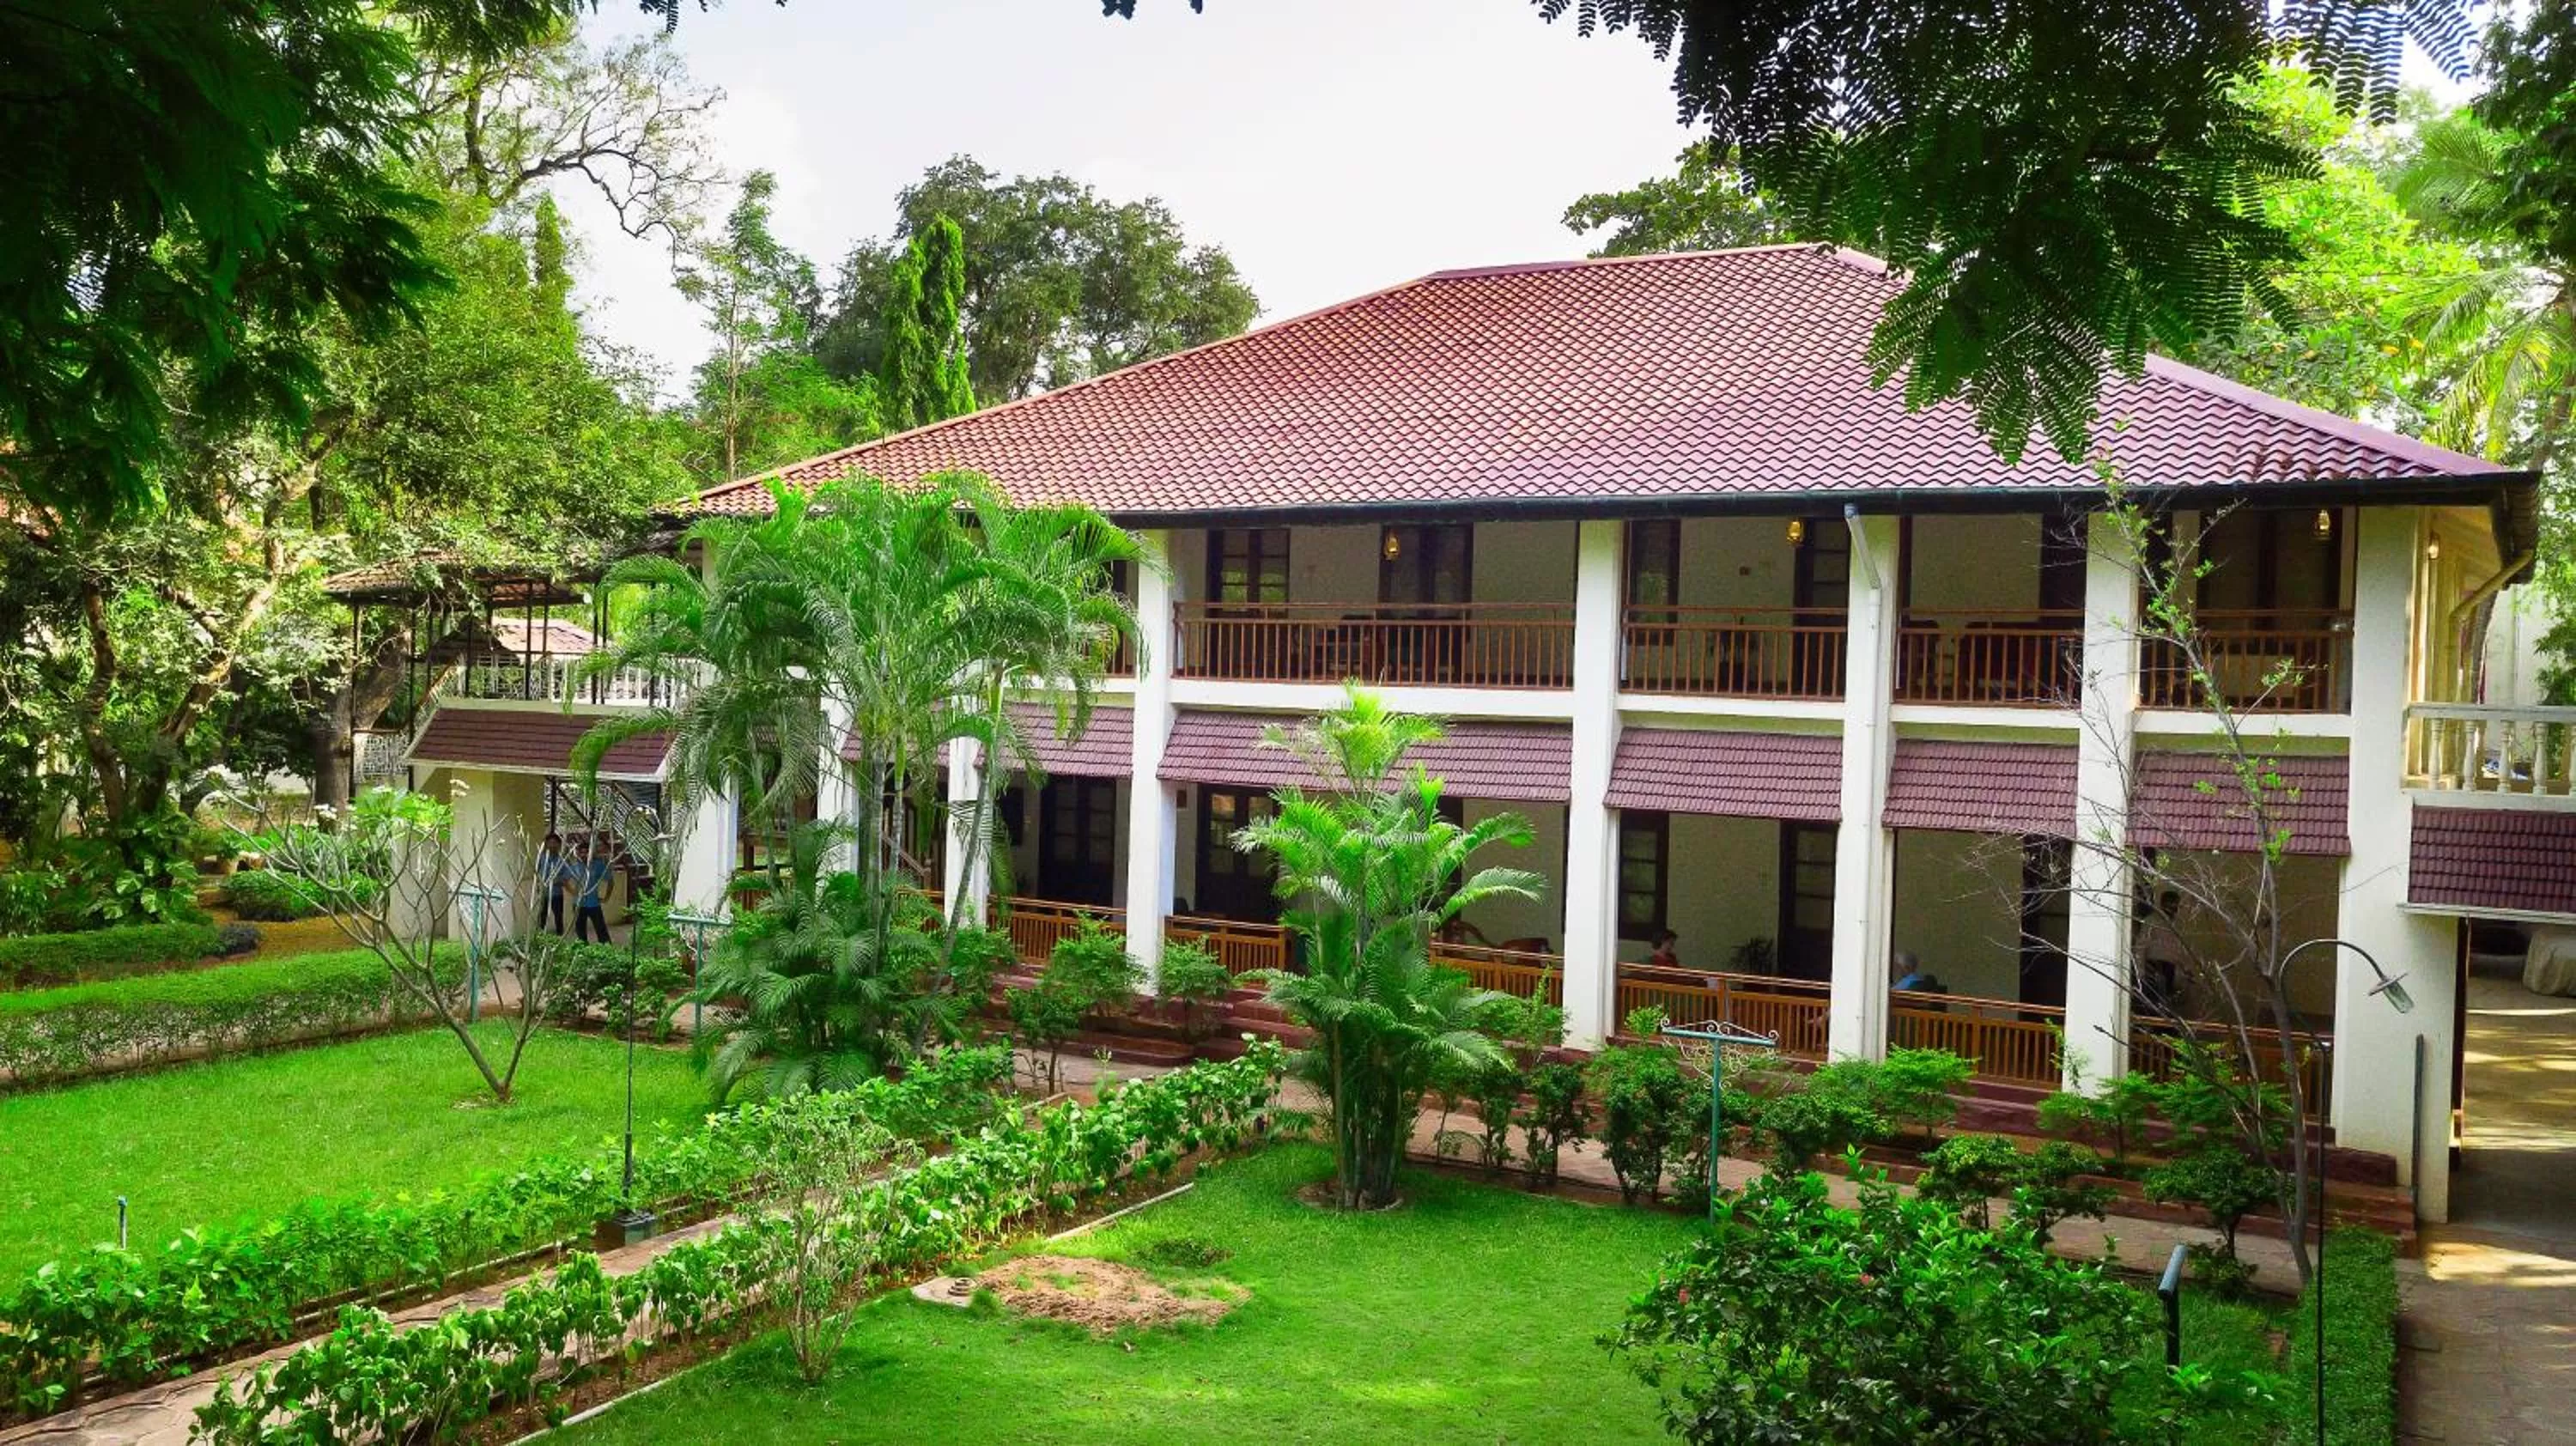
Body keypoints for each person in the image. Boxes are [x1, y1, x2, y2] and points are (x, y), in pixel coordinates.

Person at [572, 837, 613, 944]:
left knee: (601, 930)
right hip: (578, 904)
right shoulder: (575, 866)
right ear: (578, 854)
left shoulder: (598, 865)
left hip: (594, 904)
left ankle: (606, 951)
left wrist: (606, 897)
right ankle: (583, 952)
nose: (584, 855)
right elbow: (564, 879)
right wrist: (573, 892)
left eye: (586, 852)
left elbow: (610, 881)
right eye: (581, 852)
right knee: (580, 932)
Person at [534, 832, 568, 936]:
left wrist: (556, 880)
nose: (552, 845)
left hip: (557, 894)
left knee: (558, 916)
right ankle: (539, 938)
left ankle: (560, 938)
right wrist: (538, 886)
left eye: (555, 843)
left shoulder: (562, 860)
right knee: (542, 917)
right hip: (544, 894)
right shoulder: (542, 857)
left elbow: (566, 877)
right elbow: (536, 872)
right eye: (550, 843)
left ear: (559, 845)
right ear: (546, 844)